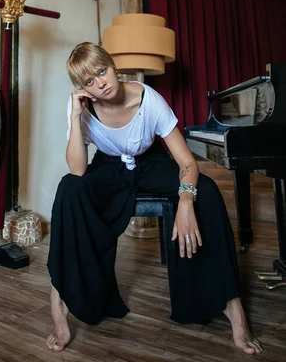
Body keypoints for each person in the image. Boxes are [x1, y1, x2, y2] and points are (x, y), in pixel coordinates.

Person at [46, 42, 262, 355]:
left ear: (113, 66)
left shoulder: (150, 100)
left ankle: (231, 303)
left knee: (209, 192)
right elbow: (78, 169)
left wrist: (185, 202)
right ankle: (59, 301)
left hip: (149, 162)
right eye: (89, 81)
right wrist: (76, 119)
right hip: (108, 167)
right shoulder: (81, 108)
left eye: (102, 72)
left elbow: (187, 164)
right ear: (83, 89)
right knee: (68, 190)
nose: (101, 83)